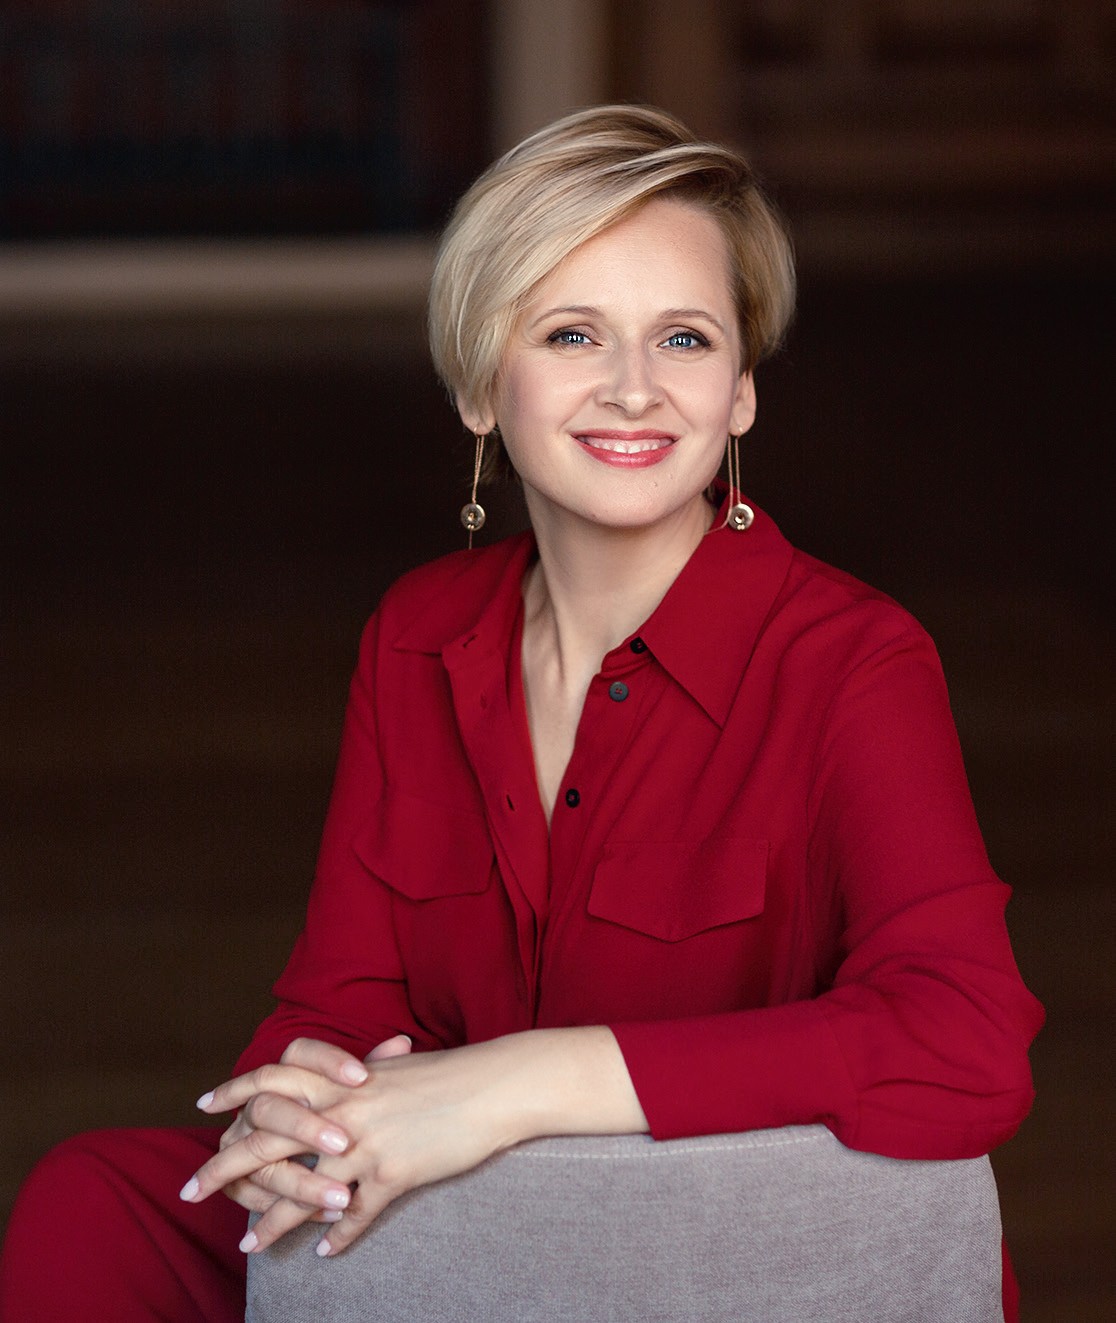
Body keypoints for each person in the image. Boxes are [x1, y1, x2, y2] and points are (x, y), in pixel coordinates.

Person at [0, 104, 1043, 1321]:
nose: (635, 389)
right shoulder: (417, 634)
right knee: (96, 1206)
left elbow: (964, 1037)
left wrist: (516, 1085)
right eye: (572, 334)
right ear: (480, 390)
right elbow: (342, 998)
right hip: (467, 1212)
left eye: (686, 339)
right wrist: (294, 1108)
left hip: (731, 1251)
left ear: (741, 395)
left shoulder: (854, 660)